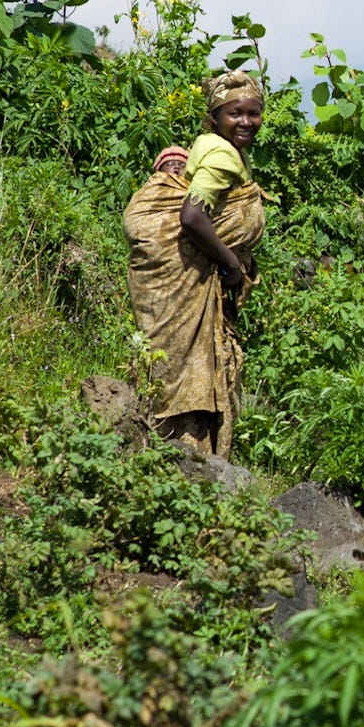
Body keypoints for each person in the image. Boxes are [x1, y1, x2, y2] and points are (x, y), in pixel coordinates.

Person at [124, 71, 268, 460]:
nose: (246, 122)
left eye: (253, 114)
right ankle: (186, 461)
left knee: (177, 368)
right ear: (216, 115)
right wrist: (231, 265)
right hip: (189, 280)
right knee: (183, 372)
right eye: (235, 113)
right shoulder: (221, 154)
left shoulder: (212, 146)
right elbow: (191, 216)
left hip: (194, 280)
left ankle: (179, 459)